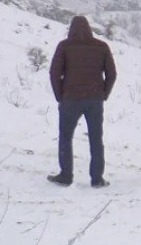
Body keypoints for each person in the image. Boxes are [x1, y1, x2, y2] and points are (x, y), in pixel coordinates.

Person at [47, 16, 117, 188]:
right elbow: (112, 74)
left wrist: (60, 96)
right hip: (94, 99)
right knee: (96, 138)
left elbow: (54, 73)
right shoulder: (101, 47)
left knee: (65, 137)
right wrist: (103, 94)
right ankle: (97, 178)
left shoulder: (64, 46)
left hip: (70, 98)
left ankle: (66, 175)